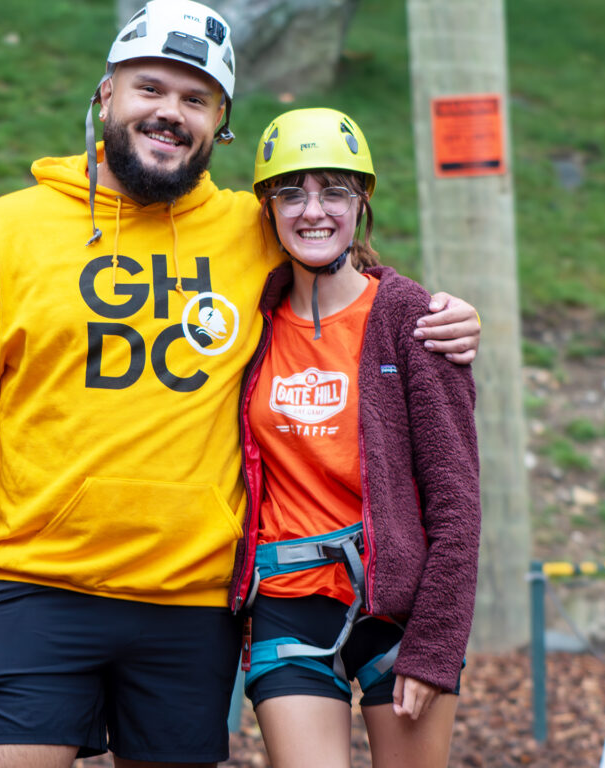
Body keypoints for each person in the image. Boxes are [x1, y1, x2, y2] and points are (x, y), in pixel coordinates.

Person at [0, 0, 481, 768]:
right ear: (107, 95)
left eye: (195, 99)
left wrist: (445, 315)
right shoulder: (9, 232)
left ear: (220, 125)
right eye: (150, 88)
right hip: (39, 585)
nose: (169, 112)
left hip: (191, 604)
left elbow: (341, 268)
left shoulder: (254, 229)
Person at [232, 107, 480, 768]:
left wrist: (434, 643)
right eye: (292, 192)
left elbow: (457, 505)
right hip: (288, 605)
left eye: (333, 191)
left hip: (399, 611)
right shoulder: (249, 322)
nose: (313, 211)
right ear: (268, 208)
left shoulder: (411, 320)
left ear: (360, 202)